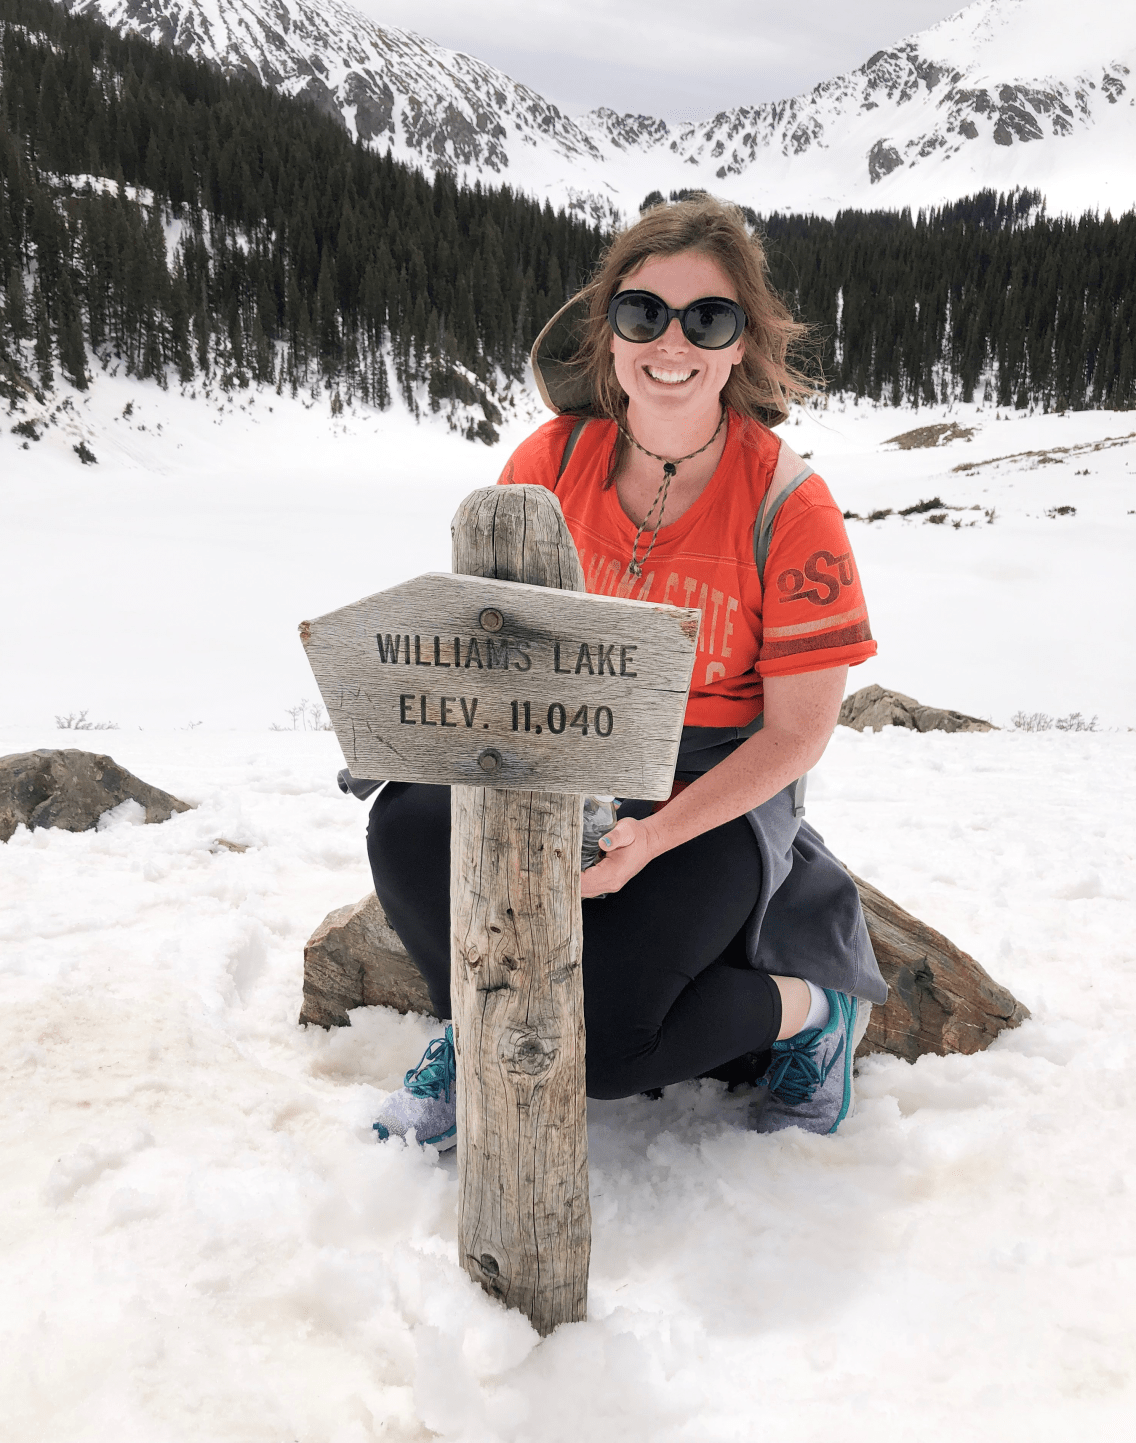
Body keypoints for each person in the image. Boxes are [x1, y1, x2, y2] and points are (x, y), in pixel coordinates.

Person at [367, 195, 887, 1150]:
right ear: (609, 332)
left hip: (710, 782)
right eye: (643, 312)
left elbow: (798, 733)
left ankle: (813, 1012)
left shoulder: (789, 503)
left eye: (708, 318)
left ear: (741, 345)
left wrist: (654, 838)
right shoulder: (552, 458)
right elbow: (490, 635)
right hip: (568, 748)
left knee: (601, 1051)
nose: (671, 342)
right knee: (406, 820)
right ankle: (473, 1027)